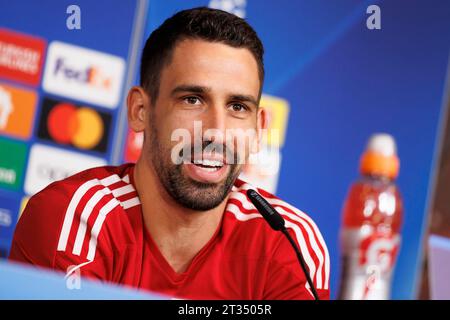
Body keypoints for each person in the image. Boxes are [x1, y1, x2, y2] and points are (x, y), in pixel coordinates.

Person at [9, 7, 330, 300]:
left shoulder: (288, 242)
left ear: (258, 129)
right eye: (192, 99)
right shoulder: (75, 221)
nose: (216, 131)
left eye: (237, 107)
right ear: (140, 110)